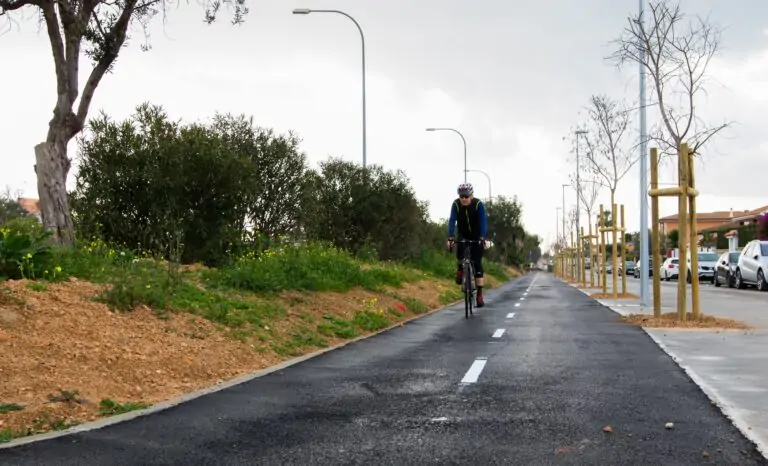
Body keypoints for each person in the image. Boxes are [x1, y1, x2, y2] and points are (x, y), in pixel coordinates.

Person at [446, 182, 488, 307]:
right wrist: (450, 237)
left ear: (471, 195)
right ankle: (460, 269)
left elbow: (483, 221)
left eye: (466, 196)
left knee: (477, 263)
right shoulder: (456, 204)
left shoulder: (478, 204)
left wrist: (482, 237)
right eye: (461, 196)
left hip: (476, 236)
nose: (463, 199)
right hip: (463, 234)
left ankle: (479, 295)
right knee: (459, 254)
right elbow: (452, 220)